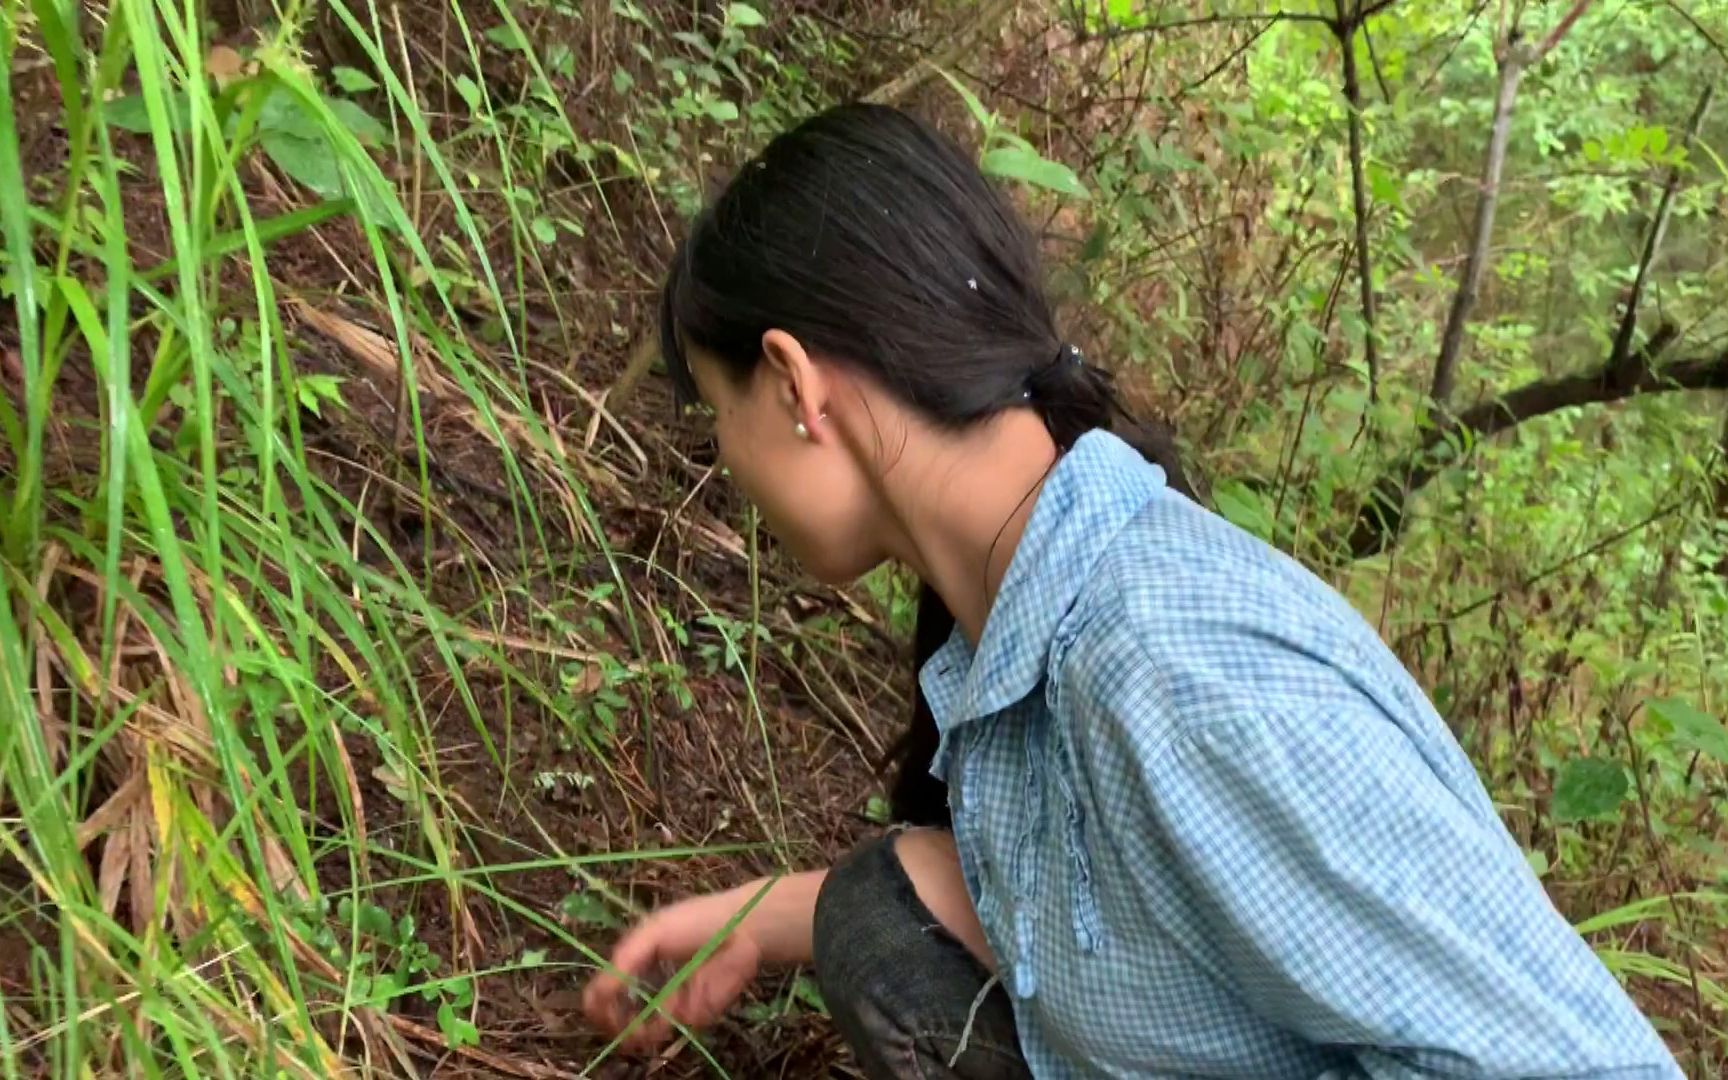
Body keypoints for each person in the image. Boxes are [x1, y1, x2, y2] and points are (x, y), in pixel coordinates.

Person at [581, 103, 1680, 1079]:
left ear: (794, 385)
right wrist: (760, 918)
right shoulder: (1033, 625)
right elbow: (1116, 915)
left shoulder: (1170, 664)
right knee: (878, 911)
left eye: (717, 409)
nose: (724, 457)